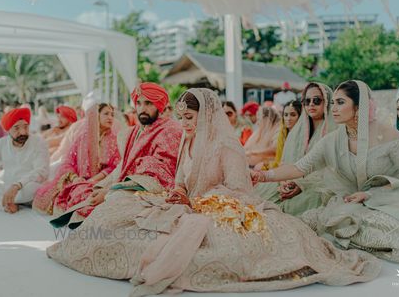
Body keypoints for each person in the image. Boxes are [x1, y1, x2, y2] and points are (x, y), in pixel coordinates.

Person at [47, 88, 380, 296]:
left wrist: (194, 201)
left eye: (189, 117)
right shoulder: (189, 140)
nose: (184, 123)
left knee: (199, 249)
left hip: (222, 208)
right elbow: (179, 177)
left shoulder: (227, 146)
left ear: (205, 115)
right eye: (181, 117)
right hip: (186, 204)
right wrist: (178, 192)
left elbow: (239, 190)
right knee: (117, 209)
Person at [253, 80, 399, 265]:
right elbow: (299, 168)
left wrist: (369, 194)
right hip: (345, 204)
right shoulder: (332, 141)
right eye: (332, 102)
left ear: (359, 106)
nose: (333, 108)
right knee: (298, 228)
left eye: (340, 102)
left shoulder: (391, 137)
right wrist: (263, 176)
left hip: (388, 203)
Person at [48, 82, 182, 228]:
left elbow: (157, 176)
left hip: (149, 191)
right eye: (138, 103)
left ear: (159, 106)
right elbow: (122, 166)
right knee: (85, 191)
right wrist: (100, 186)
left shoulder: (170, 131)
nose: (142, 109)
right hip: (123, 185)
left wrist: (109, 191)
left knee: (112, 205)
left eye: (148, 103)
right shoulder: (135, 132)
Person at [255, 82, 336, 216]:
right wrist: (284, 181)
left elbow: (330, 170)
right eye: (306, 101)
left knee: (300, 203)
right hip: (290, 178)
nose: (311, 104)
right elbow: (286, 162)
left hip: (316, 184)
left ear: (327, 102)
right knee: (262, 193)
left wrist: (301, 184)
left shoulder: (333, 130)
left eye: (316, 101)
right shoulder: (298, 130)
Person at [33, 103, 121, 219]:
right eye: (106, 114)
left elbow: (114, 166)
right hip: (78, 179)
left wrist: (93, 180)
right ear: (96, 116)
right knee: (75, 193)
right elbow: (68, 161)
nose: (110, 117)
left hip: (102, 182)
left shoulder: (113, 140)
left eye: (112, 114)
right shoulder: (82, 138)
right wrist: (75, 178)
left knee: (90, 196)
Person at [0, 108, 49, 213]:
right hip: (7, 189)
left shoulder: (38, 142)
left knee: (33, 188)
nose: (22, 132)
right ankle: (3, 204)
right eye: (16, 128)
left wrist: (17, 185)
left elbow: (42, 172)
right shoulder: (1, 144)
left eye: (25, 127)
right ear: (8, 129)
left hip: (26, 189)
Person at [262, 100, 302, 169]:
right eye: (286, 115)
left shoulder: (302, 136)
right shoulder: (283, 133)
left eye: (293, 115)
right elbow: (279, 160)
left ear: (300, 117)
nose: (288, 119)